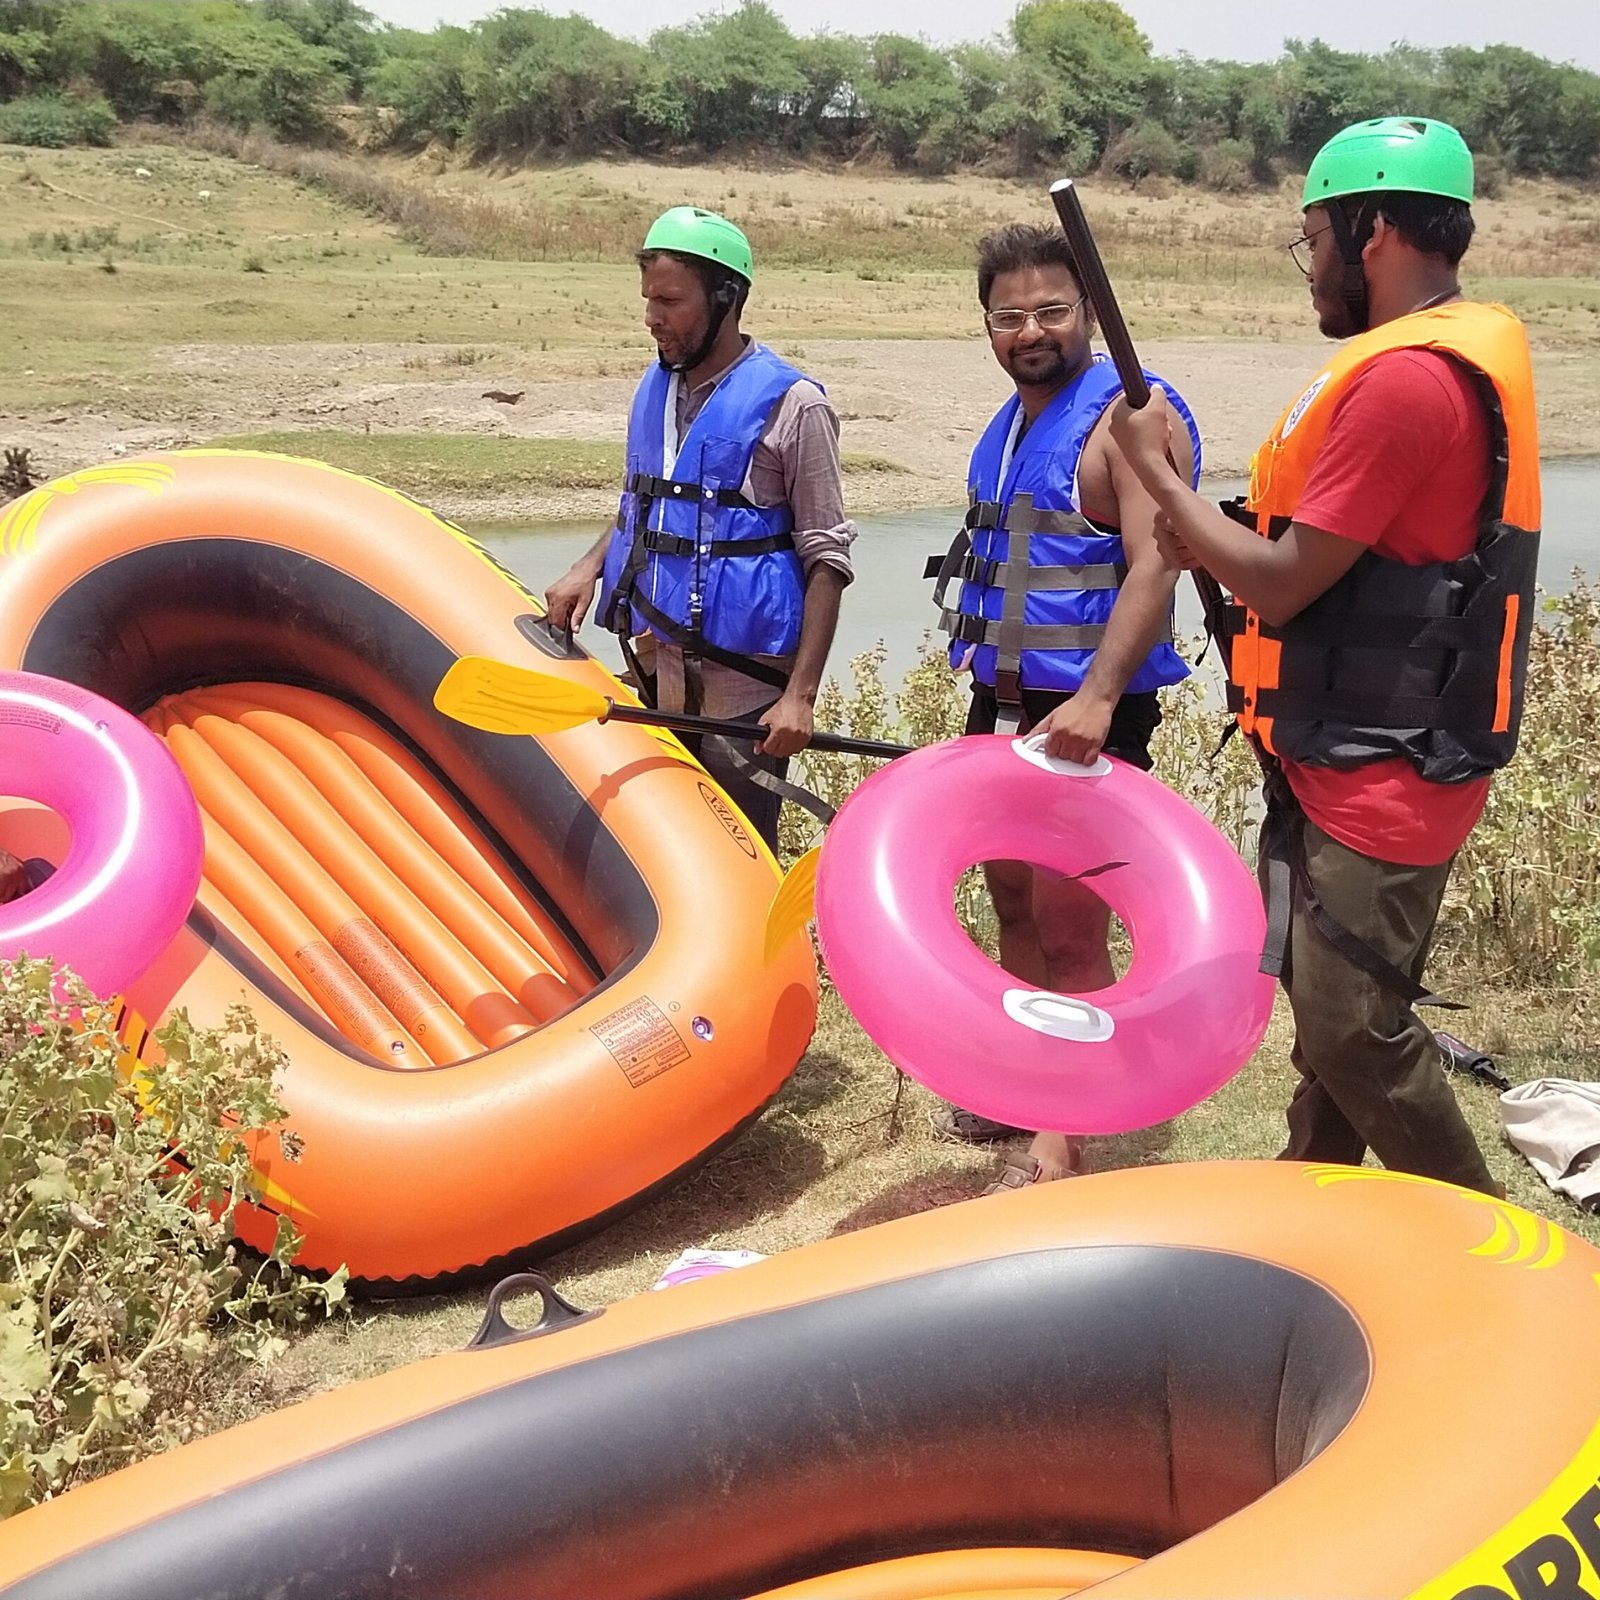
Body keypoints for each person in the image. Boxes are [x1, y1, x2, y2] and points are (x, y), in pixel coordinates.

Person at [1106, 116, 1534, 1198]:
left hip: (1380, 768)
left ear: (1373, 230)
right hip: (1352, 743)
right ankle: (1313, 1210)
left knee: (1352, 1028)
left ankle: (1495, 1249)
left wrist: (1156, 480)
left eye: (1315, 243)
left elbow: (1282, 579)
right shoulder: (1430, 357)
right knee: (1328, 1010)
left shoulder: (1406, 384)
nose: (1312, 274)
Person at [924, 221, 1203, 1192]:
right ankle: (1024, 1085)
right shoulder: (1009, 424)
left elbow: (1153, 567)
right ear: (987, 326)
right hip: (1000, 697)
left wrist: (1093, 700)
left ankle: (1062, 1144)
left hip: (1091, 708)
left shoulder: (1131, 416)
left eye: (1050, 309)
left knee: (1072, 926)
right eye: (1009, 316)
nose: (1030, 330)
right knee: (1009, 899)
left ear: (1089, 310)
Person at [544, 206, 854, 854]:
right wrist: (589, 566)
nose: (653, 317)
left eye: (670, 301)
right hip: (657, 672)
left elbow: (826, 555)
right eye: (648, 300)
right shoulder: (658, 389)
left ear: (726, 298)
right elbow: (651, 506)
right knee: (663, 853)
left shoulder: (795, 406)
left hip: (747, 690)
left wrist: (800, 697)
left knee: (739, 854)